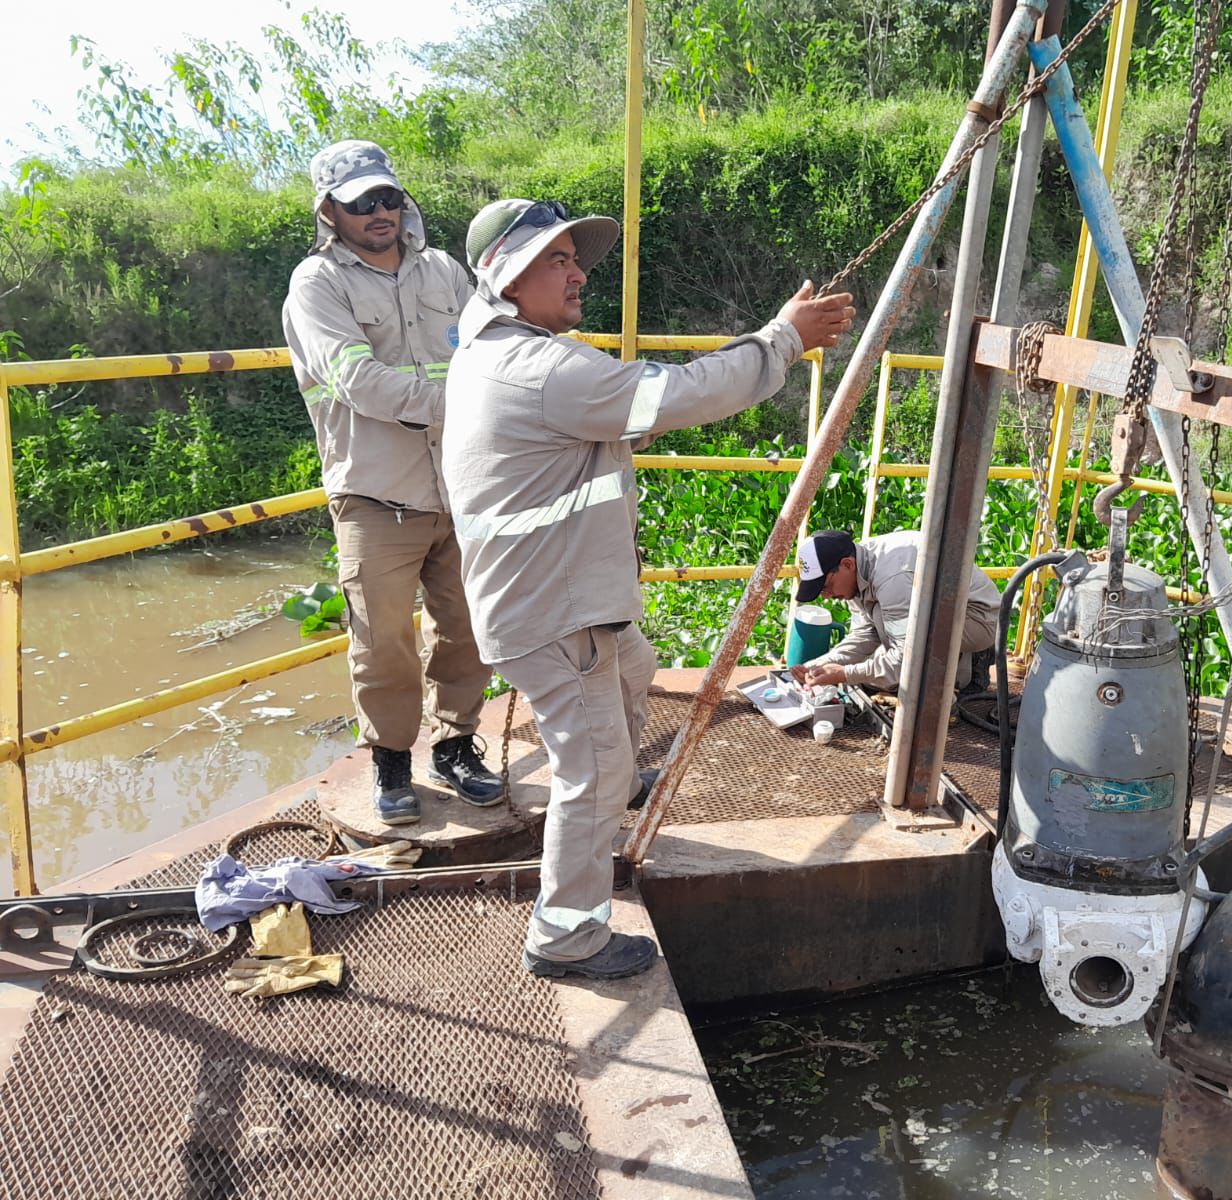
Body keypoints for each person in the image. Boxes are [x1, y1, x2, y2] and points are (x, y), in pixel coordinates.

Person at [442, 197, 854, 982]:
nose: (578, 274)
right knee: (589, 773)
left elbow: (621, 413)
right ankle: (566, 937)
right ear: (508, 278)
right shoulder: (540, 369)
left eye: (575, 259)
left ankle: (623, 782)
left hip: (547, 603)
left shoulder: (498, 357)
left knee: (634, 665)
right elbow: (677, 393)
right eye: (557, 259)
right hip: (556, 614)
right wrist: (782, 339)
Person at [282, 140, 502, 827]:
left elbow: (494, 350)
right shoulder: (318, 284)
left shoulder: (445, 272)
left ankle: (456, 747)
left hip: (461, 483)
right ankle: (391, 761)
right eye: (360, 204)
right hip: (375, 491)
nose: (379, 213)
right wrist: (470, 399)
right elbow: (358, 381)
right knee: (382, 642)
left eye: (387, 198)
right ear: (330, 211)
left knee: (467, 626)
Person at [789, 529, 1001, 693]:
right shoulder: (855, 569)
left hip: (979, 618)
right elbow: (865, 633)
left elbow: (906, 657)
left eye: (826, 586)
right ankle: (956, 663)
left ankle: (961, 676)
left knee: (889, 670)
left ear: (847, 565)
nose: (826, 596)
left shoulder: (892, 579)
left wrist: (845, 673)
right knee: (876, 663)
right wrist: (820, 665)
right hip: (943, 611)